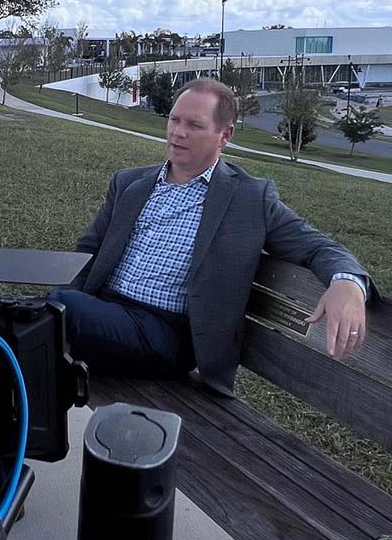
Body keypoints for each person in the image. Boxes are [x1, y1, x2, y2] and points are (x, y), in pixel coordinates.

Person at [51, 78, 373, 397]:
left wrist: (347, 282)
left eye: (194, 125)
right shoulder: (130, 183)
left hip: (165, 333)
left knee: (53, 316)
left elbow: (318, 246)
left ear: (225, 135)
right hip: (103, 312)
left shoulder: (249, 198)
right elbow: (88, 251)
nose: (178, 132)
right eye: (174, 120)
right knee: (32, 324)